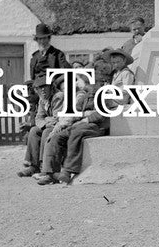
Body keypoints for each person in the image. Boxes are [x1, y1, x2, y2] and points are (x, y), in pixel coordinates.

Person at [35, 57, 110, 185]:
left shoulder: (106, 94)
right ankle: (50, 172)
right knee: (58, 136)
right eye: (89, 83)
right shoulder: (85, 96)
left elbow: (103, 113)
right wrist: (60, 126)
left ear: (103, 83)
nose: (92, 86)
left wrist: (85, 118)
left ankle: (68, 170)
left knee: (76, 133)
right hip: (81, 124)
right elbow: (74, 112)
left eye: (96, 83)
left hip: (97, 126)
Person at [18, 74, 66, 177]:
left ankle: (45, 168)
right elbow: (38, 118)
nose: (43, 90)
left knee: (46, 131)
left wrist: (46, 120)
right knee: (34, 130)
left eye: (45, 86)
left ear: (51, 87)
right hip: (50, 126)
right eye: (39, 88)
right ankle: (33, 166)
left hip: (62, 126)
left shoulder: (58, 96)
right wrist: (46, 121)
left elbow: (57, 119)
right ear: (36, 89)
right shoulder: (42, 99)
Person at [30, 23, 68, 114]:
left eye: (44, 38)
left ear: (49, 38)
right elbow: (33, 76)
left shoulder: (58, 54)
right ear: (36, 40)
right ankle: (32, 121)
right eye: (39, 39)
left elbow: (67, 72)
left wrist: (56, 82)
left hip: (52, 85)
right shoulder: (35, 56)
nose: (42, 41)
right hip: (38, 86)